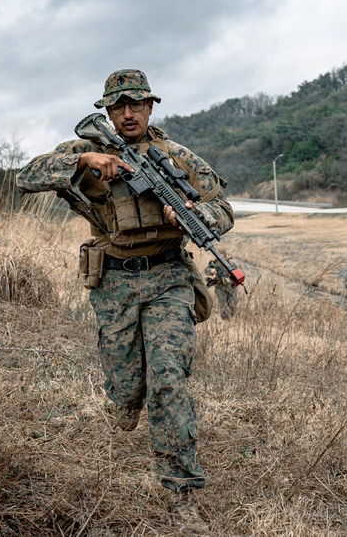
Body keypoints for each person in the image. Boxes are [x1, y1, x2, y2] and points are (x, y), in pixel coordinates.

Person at [16, 69, 234, 534]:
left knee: (169, 377)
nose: (128, 113)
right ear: (108, 112)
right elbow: (25, 176)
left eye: (136, 104)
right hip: (114, 280)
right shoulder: (89, 150)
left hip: (169, 277)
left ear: (151, 106)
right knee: (127, 386)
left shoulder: (176, 157)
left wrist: (194, 212)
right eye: (118, 106)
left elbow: (224, 209)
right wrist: (86, 161)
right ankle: (126, 398)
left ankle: (181, 492)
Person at [206, 252, 240, 320]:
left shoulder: (231, 263)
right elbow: (206, 270)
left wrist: (231, 279)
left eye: (222, 255)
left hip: (231, 286)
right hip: (220, 287)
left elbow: (237, 274)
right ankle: (225, 320)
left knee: (232, 304)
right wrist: (211, 270)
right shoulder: (215, 263)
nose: (220, 257)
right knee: (223, 305)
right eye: (219, 255)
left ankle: (233, 319)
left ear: (225, 255)